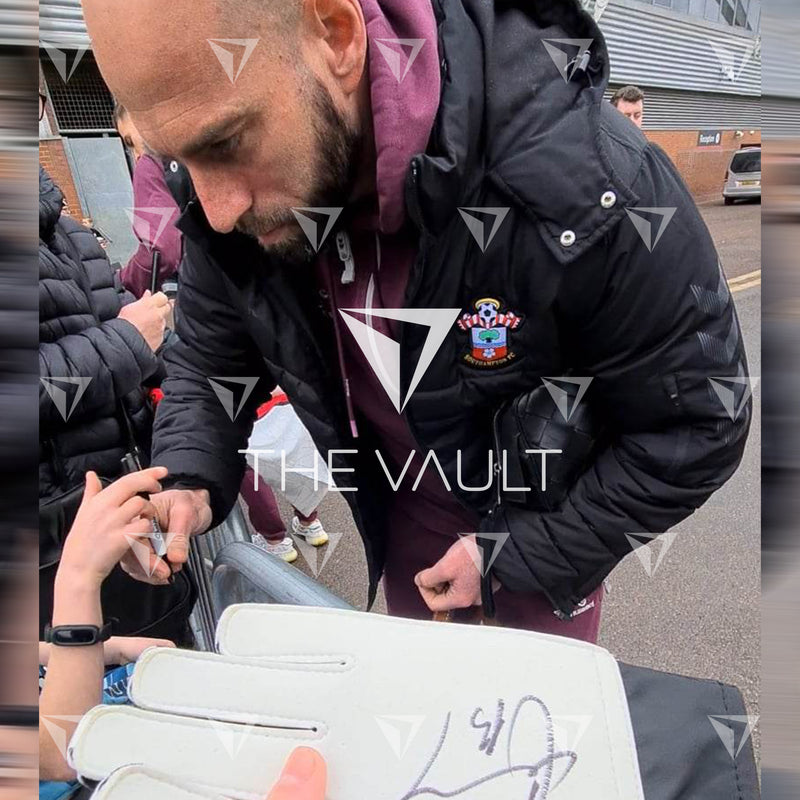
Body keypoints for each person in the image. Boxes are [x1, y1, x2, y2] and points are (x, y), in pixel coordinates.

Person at [83, 0, 750, 639]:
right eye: (177, 161)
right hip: (402, 541)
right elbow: (209, 356)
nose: (217, 209)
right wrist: (190, 474)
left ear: (338, 35)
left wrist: (513, 553)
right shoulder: (228, 199)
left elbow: (697, 425)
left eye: (226, 141)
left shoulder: (595, 188)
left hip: (531, 557)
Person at [39, 166, 195, 645]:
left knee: (168, 665)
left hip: (125, 504)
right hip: (47, 544)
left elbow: (141, 339)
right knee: (77, 706)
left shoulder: (67, 230)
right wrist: (127, 342)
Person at [114, 103, 184, 296]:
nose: (136, 155)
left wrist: (123, 281)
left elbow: (160, 250)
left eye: (130, 142)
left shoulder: (150, 163)